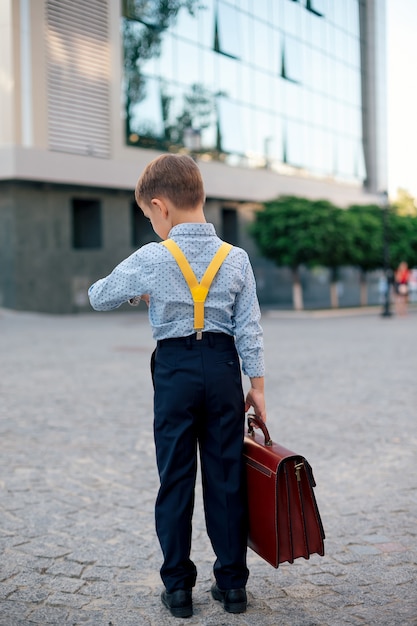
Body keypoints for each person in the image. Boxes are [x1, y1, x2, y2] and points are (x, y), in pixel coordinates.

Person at [88, 154, 266, 618]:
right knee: (226, 478)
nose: (152, 224)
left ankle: (178, 589)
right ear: (200, 197)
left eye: (149, 217)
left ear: (159, 206)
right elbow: (250, 328)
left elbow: (97, 295)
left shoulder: (153, 256)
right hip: (225, 368)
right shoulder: (236, 258)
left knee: (175, 479)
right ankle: (232, 587)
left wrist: (138, 290)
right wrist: (258, 388)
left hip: (174, 371)